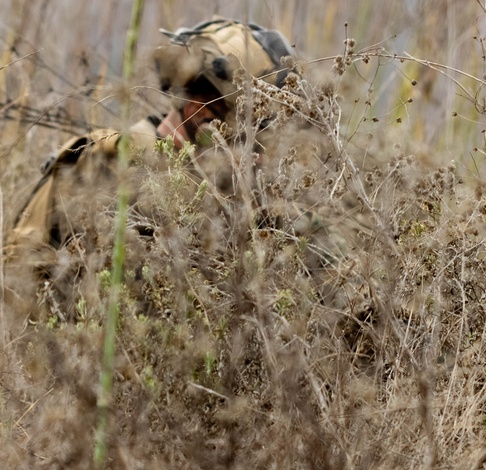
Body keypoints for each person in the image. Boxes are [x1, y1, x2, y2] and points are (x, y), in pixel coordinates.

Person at [4, 18, 295, 314]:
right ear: (201, 112)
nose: (256, 151)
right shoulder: (112, 164)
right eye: (250, 129)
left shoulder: (223, 193)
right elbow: (20, 279)